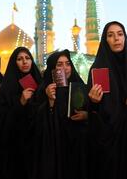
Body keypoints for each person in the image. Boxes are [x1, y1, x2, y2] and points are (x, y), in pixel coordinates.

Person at [87, 21, 127, 179]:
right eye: (110, 35)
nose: (116, 38)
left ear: (125, 37)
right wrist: (94, 103)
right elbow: (93, 114)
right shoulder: (97, 69)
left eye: (120, 34)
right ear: (105, 40)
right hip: (109, 142)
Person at [32, 49, 88, 179]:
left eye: (68, 64)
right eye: (59, 64)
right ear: (52, 68)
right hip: (54, 148)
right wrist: (50, 101)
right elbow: (36, 123)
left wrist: (86, 115)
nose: (65, 68)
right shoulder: (43, 90)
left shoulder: (79, 87)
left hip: (76, 148)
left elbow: (92, 112)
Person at [0, 47, 42, 179]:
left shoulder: (40, 83)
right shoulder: (7, 88)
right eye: (20, 59)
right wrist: (20, 103)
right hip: (16, 149)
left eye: (27, 58)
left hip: (38, 145)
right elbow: (0, 120)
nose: (24, 62)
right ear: (14, 63)